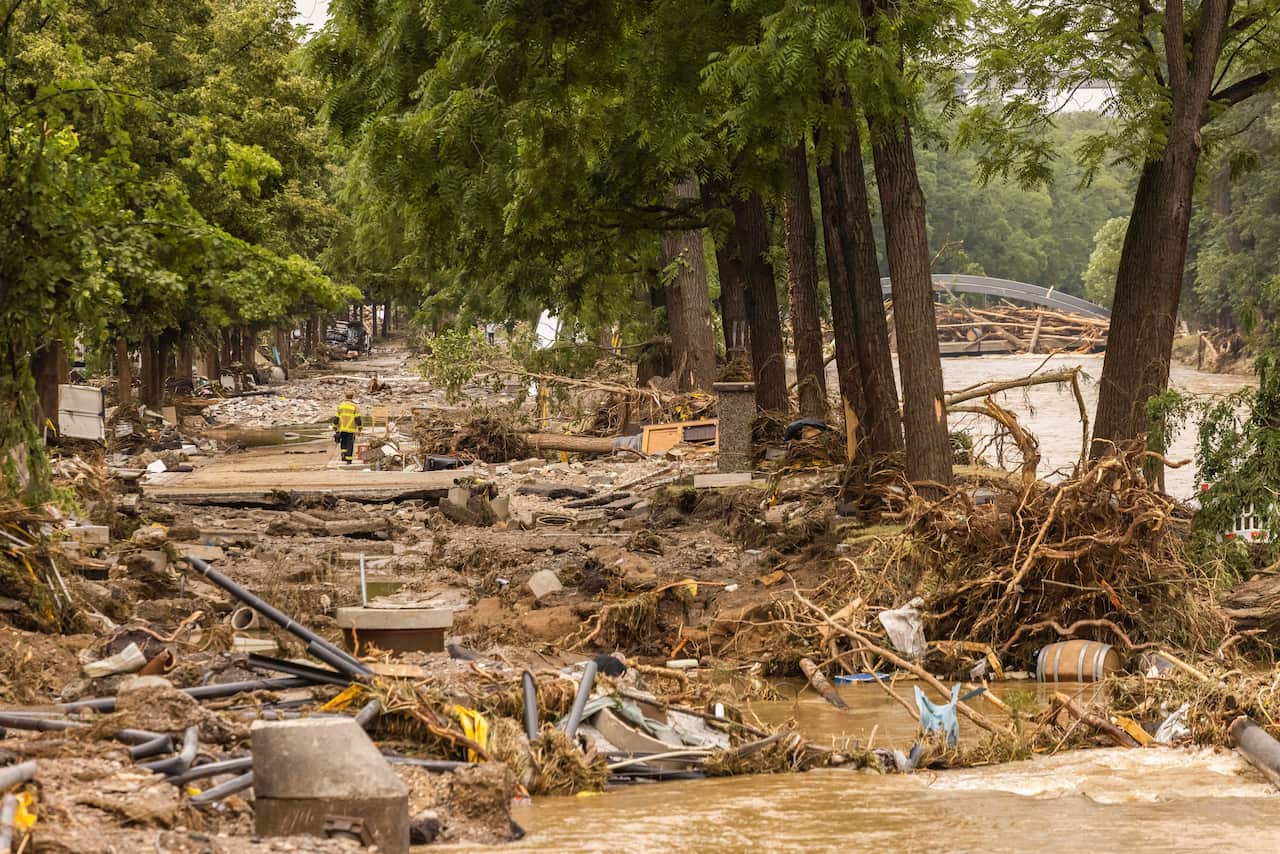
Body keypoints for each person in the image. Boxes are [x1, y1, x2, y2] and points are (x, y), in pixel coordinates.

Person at [331, 391, 362, 464]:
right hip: (351, 428)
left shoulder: (341, 405)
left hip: (342, 428)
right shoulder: (355, 406)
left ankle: (343, 455)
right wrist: (360, 427)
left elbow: (336, 418)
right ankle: (348, 459)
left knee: (343, 442)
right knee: (349, 443)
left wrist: (335, 426)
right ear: (352, 397)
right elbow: (358, 418)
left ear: (345, 396)